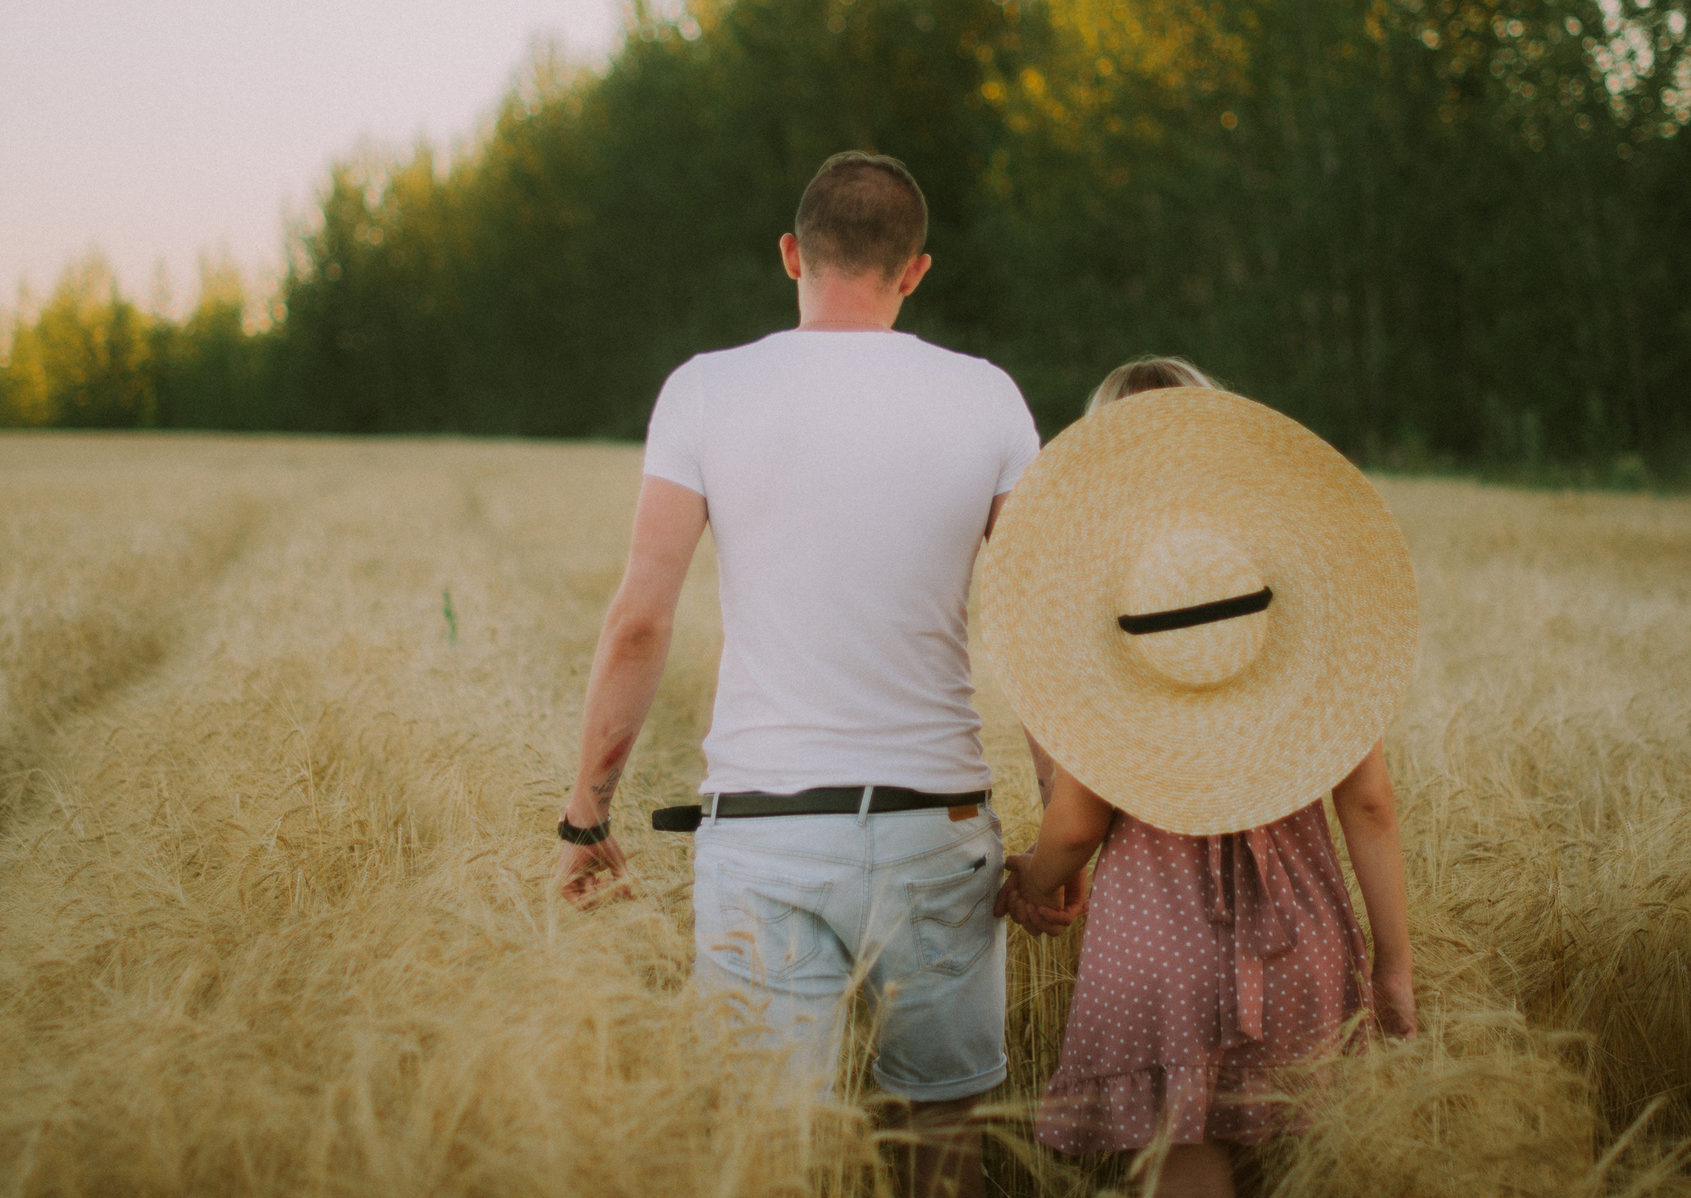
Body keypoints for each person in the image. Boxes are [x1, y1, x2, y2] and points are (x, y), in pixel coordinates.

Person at [554, 150, 1040, 1198]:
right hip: (939, 825)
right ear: (915, 271)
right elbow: (1050, 625)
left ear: (790, 253)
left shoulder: (704, 388)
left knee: (765, 1150)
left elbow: (640, 620)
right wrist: (1069, 820)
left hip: (767, 830)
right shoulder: (989, 397)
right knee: (941, 1139)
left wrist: (586, 813)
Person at [976, 359, 1420, 1198]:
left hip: (1158, 943)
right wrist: (1393, 965)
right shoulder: (1300, 603)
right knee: (1302, 1167)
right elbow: (1369, 801)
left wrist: (1030, 883)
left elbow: (1077, 825)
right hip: (1302, 935)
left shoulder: (1104, 610)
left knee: (1186, 1166)